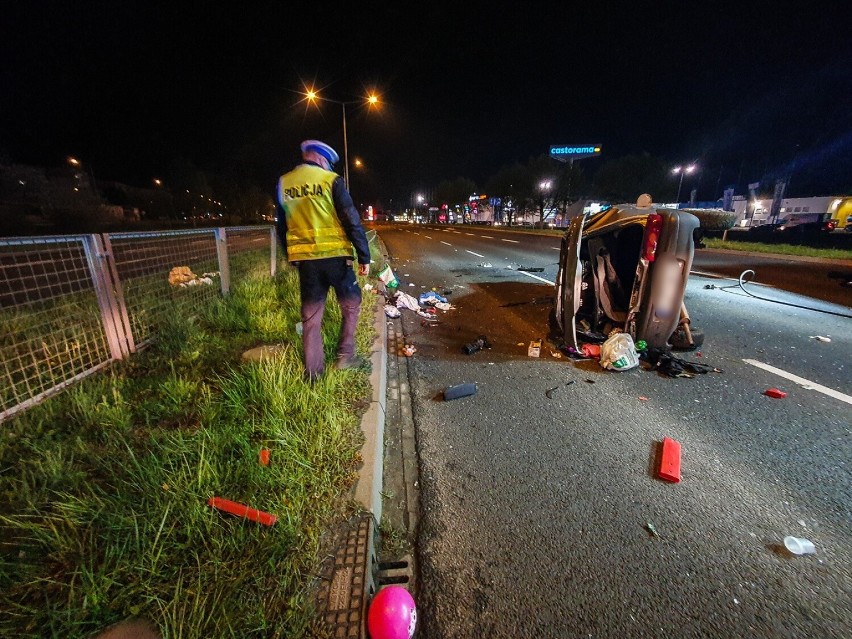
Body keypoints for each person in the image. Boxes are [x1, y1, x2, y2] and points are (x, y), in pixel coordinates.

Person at [276, 139, 371, 383]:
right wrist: (364, 255)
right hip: (337, 259)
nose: (328, 166)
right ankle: (345, 357)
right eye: (327, 162)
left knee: (311, 318)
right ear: (320, 158)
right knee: (351, 305)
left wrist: (291, 255)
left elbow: (282, 226)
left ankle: (313, 374)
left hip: (307, 263)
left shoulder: (285, 183)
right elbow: (351, 219)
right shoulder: (331, 181)